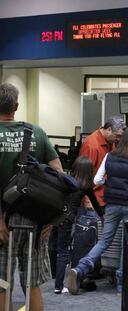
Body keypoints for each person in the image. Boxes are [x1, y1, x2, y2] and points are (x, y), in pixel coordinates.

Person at [68, 127, 128, 295]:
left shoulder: (109, 156)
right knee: (127, 244)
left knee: (104, 241)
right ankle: (122, 285)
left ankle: (81, 268)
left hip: (112, 205)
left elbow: (97, 179)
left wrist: (109, 183)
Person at [0, 82, 63, 310]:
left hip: (3, 221)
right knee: (32, 283)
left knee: (2, 282)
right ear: (16, 106)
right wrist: (50, 219)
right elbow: (59, 176)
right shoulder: (35, 132)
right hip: (34, 220)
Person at [54, 156, 103, 294]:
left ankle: (57, 283)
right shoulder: (85, 186)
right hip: (69, 219)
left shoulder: (66, 180)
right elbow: (96, 205)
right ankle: (58, 286)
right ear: (88, 172)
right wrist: (103, 218)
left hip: (57, 216)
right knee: (65, 252)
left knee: (60, 251)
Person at [79, 116, 126, 209]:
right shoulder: (91, 145)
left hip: (106, 197)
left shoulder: (111, 142)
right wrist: (87, 200)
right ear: (108, 129)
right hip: (94, 200)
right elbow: (83, 175)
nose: (119, 139)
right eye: (118, 135)